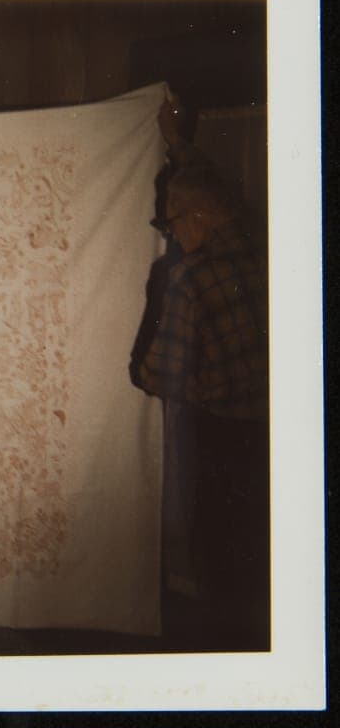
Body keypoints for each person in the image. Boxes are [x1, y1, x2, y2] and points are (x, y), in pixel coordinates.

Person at [134, 96, 269, 647]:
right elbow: (206, 181)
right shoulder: (266, 247)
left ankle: (225, 653)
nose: (171, 235)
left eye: (171, 224)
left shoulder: (192, 278)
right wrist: (176, 141)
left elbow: (155, 374)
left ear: (199, 219)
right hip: (281, 433)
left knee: (223, 550)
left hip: (226, 435)